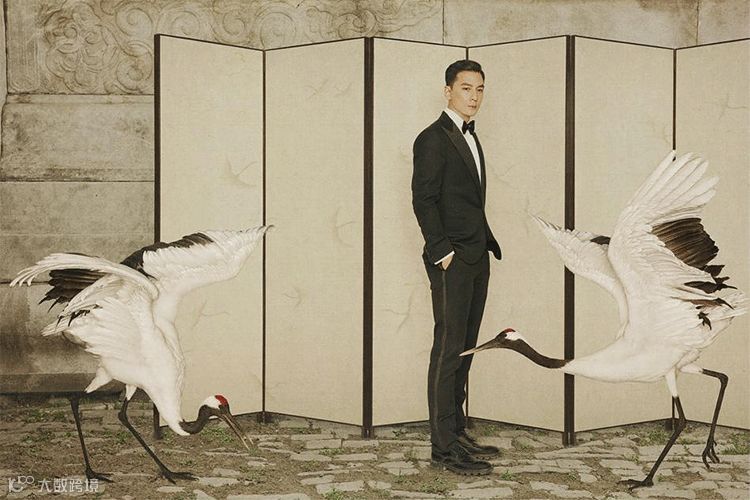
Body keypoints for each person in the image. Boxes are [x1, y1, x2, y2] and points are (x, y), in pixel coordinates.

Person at [411, 59, 502, 475]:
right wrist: (442, 252)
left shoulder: (471, 135)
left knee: (465, 349)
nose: (474, 96)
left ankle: (457, 431)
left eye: (480, 89)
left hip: (476, 256)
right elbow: (423, 199)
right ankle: (443, 448)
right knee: (448, 351)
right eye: (466, 88)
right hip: (452, 260)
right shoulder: (432, 139)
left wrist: (480, 246)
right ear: (448, 91)